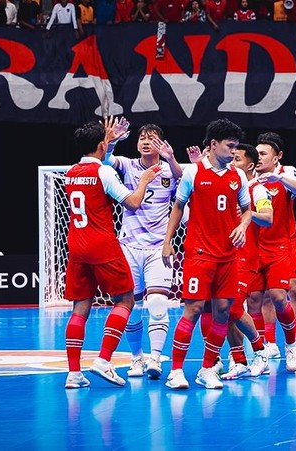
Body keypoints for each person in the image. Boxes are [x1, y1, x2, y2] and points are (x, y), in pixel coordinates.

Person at [62, 118, 162, 389]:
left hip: (77, 246)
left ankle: (74, 374)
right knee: (125, 300)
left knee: (79, 309)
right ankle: (104, 360)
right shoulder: (103, 173)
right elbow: (133, 202)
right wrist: (143, 181)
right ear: (100, 145)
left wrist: (111, 142)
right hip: (102, 245)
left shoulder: (71, 172)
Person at [161, 118, 251, 390]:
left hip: (228, 255)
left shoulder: (239, 176)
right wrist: (168, 242)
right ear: (213, 145)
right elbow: (178, 207)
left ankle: (207, 368)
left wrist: (244, 225)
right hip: (199, 253)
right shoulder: (193, 173)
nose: (234, 152)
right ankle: (176, 371)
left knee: (223, 311)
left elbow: (246, 209)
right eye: (229, 146)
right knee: (194, 309)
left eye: (236, 147)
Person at [103, 120, 182, 380]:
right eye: (142, 138)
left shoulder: (170, 170)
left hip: (158, 247)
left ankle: (155, 359)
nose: (146, 142)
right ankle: (136, 358)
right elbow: (105, 161)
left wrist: (171, 159)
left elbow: (184, 184)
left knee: (158, 302)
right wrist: (112, 140)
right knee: (132, 305)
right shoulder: (127, 164)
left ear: (161, 143)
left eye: (152, 138)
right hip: (129, 246)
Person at [244, 132, 296, 371]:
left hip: (282, 244)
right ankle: (268, 344)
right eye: (256, 154)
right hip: (253, 247)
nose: (258, 158)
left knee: (287, 293)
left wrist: (278, 180)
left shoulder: (286, 173)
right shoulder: (247, 179)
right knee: (257, 299)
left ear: (277, 156)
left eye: (263, 154)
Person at [221, 143, 274, 380]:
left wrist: (248, 214)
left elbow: (268, 218)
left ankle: (260, 351)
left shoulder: (257, 190)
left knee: (232, 308)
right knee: (223, 311)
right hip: (222, 255)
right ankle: (239, 361)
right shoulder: (225, 185)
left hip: (245, 257)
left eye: (237, 160)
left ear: (250, 165)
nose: (232, 163)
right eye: (230, 159)